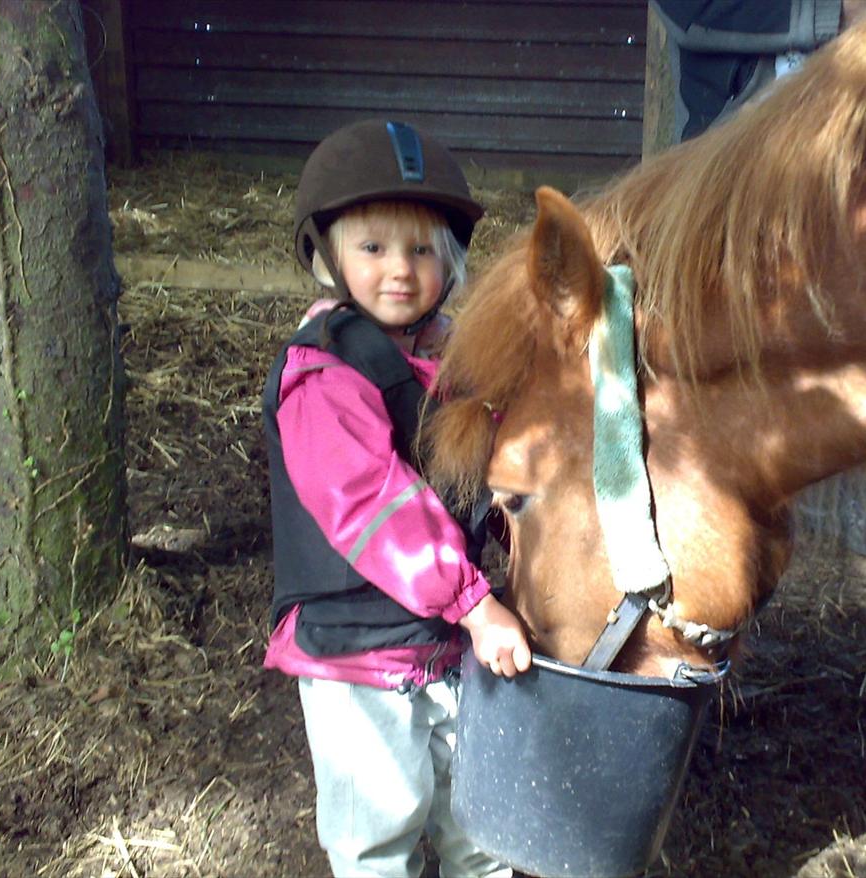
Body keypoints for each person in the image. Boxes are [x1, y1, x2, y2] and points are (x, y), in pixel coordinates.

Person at [261, 118, 530, 878]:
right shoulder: (322, 375)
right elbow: (375, 506)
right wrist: (476, 603)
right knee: (378, 835)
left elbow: (486, 470)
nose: (400, 270)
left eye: (421, 249)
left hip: (444, 645)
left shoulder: (455, 359)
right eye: (373, 248)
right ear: (329, 257)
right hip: (358, 655)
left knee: (479, 820)